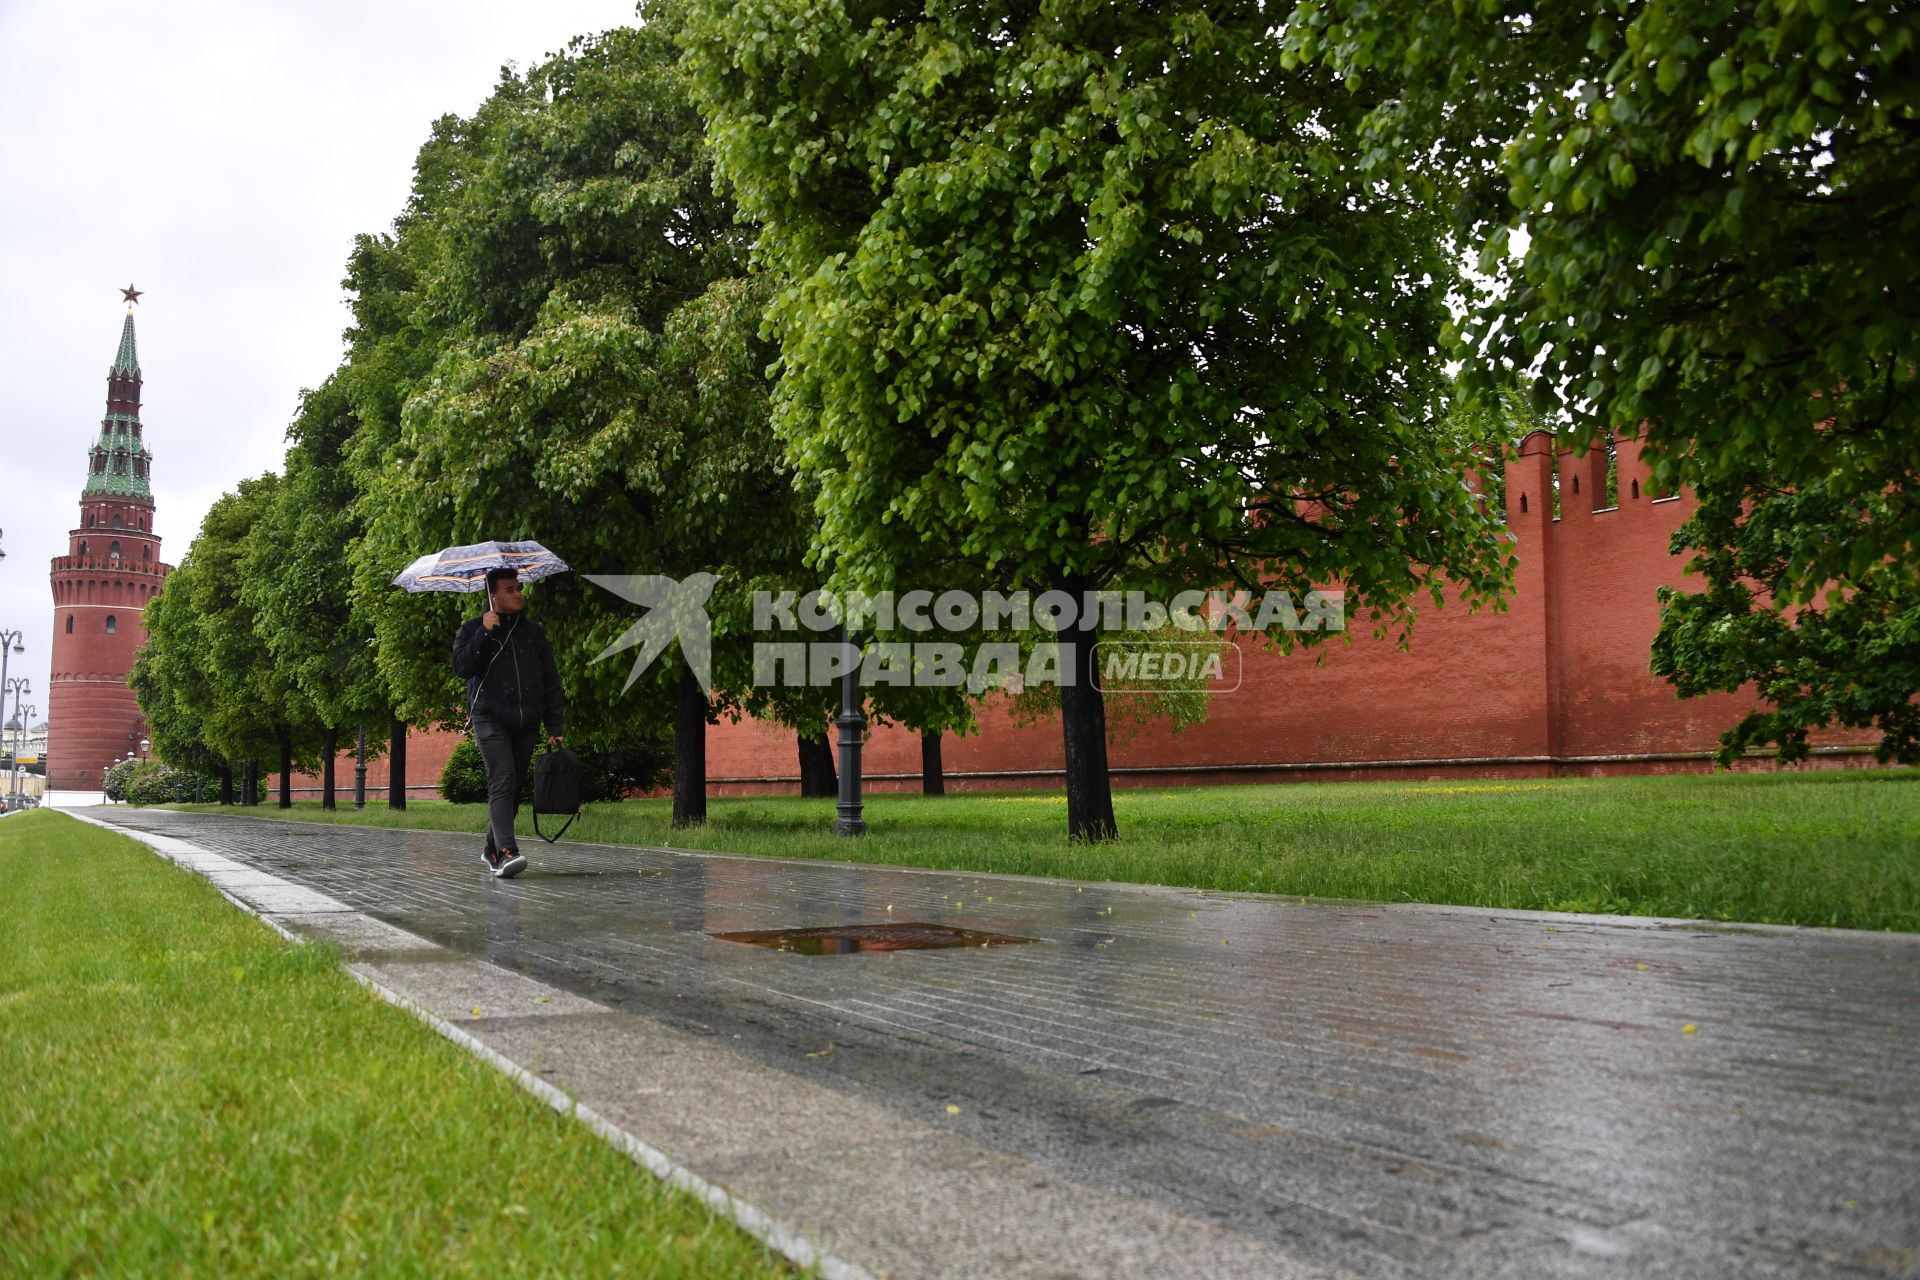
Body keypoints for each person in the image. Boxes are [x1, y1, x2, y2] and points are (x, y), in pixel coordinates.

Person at [451, 567, 565, 878]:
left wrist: (555, 726)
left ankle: (491, 848)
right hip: (488, 716)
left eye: (519, 588)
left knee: (512, 787)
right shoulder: (473, 628)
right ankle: (507, 851)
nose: (518, 594)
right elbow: (462, 667)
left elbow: (551, 681)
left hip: (526, 720)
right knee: (502, 778)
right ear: (493, 595)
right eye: (510, 590)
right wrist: (484, 633)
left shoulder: (534, 633)